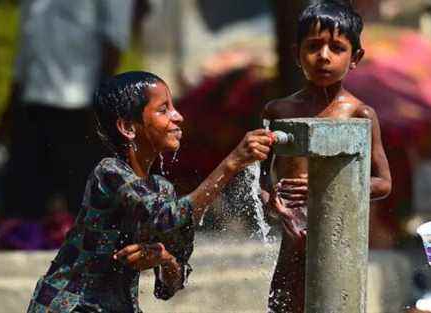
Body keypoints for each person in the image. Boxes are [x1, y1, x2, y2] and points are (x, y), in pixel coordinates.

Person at [26, 71, 275, 312]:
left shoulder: (162, 189)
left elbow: (170, 287)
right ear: (127, 127)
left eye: (173, 107)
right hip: (69, 304)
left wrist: (164, 258)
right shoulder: (110, 173)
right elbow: (165, 218)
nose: (178, 117)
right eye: (163, 109)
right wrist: (230, 164)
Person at [261, 2, 392, 312]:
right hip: (292, 232)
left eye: (337, 47)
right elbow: (259, 173)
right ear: (297, 54)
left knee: (335, 301)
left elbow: (384, 183)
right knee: (283, 305)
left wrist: (324, 192)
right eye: (314, 46)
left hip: (339, 231)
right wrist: (273, 203)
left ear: (355, 58)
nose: (324, 56)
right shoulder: (278, 112)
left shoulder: (360, 115)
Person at [2, 1, 134, 247]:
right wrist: (14, 97)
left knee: (82, 188)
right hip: (34, 95)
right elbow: (28, 36)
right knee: (27, 192)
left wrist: (99, 98)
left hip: (78, 98)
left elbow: (115, 38)